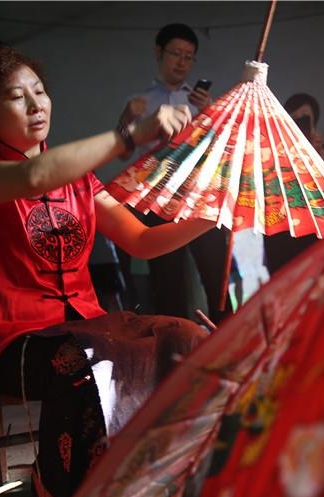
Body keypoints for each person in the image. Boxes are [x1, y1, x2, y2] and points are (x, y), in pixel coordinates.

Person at [0, 46, 216, 497]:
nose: (36, 105)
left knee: (187, 340)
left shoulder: (81, 181)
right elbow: (33, 176)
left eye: (40, 91)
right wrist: (131, 134)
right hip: (13, 345)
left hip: (89, 330)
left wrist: (212, 212)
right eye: (16, 96)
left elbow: (143, 241)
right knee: (85, 363)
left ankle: (151, 486)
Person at [116, 23, 234, 326]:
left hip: (199, 198)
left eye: (189, 56)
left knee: (216, 277)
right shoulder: (139, 101)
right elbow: (123, 152)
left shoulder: (200, 102)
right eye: (176, 53)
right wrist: (128, 117)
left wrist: (209, 112)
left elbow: (222, 150)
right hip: (158, 201)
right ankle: (174, 356)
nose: (182, 61)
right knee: (166, 283)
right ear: (159, 52)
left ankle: (229, 347)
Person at [264, 92, 324, 278]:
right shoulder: (276, 147)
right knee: (280, 277)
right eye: (295, 118)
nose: (300, 122)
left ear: (314, 122)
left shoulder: (322, 149)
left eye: (305, 119)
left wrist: (317, 151)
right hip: (280, 225)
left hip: (314, 223)